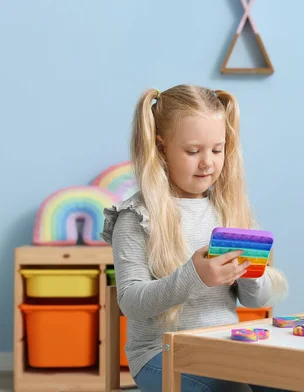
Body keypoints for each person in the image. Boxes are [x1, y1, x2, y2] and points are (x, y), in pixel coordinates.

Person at [100, 85, 290, 392]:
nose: (208, 162)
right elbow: (131, 302)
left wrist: (253, 274)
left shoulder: (231, 210)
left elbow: (257, 300)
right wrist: (194, 276)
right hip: (158, 354)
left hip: (224, 348)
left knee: (297, 379)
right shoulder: (136, 216)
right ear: (160, 149)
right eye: (192, 151)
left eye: (217, 150)